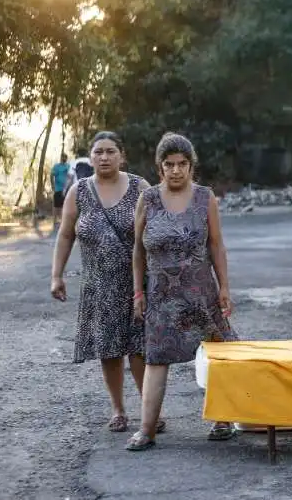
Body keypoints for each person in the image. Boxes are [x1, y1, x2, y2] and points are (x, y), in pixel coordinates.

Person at [125, 132, 238, 451]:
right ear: (160, 167)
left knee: (218, 354)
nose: (176, 170)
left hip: (201, 292)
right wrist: (138, 292)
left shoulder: (205, 197)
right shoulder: (147, 200)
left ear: (191, 166)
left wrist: (224, 287)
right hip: (160, 296)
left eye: (182, 164)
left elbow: (216, 245)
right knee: (156, 359)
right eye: (169, 164)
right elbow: (138, 250)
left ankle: (223, 419)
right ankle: (147, 430)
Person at [50, 131, 155, 434]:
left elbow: (158, 230)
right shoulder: (79, 191)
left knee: (138, 349)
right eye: (98, 152)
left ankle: (148, 411)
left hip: (137, 284)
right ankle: (119, 411)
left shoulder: (139, 187)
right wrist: (56, 275)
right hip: (98, 286)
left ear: (122, 156)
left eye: (110, 152)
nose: (104, 157)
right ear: (91, 157)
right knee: (108, 350)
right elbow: (66, 234)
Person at [50, 153, 70, 227]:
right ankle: (54, 221)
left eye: (65, 157)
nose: (64, 159)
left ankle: (63, 221)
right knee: (56, 206)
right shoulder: (56, 166)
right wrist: (52, 186)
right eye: (63, 157)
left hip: (67, 189)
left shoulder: (68, 166)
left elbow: (70, 176)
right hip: (58, 189)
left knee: (65, 205)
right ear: (61, 158)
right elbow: (51, 175)